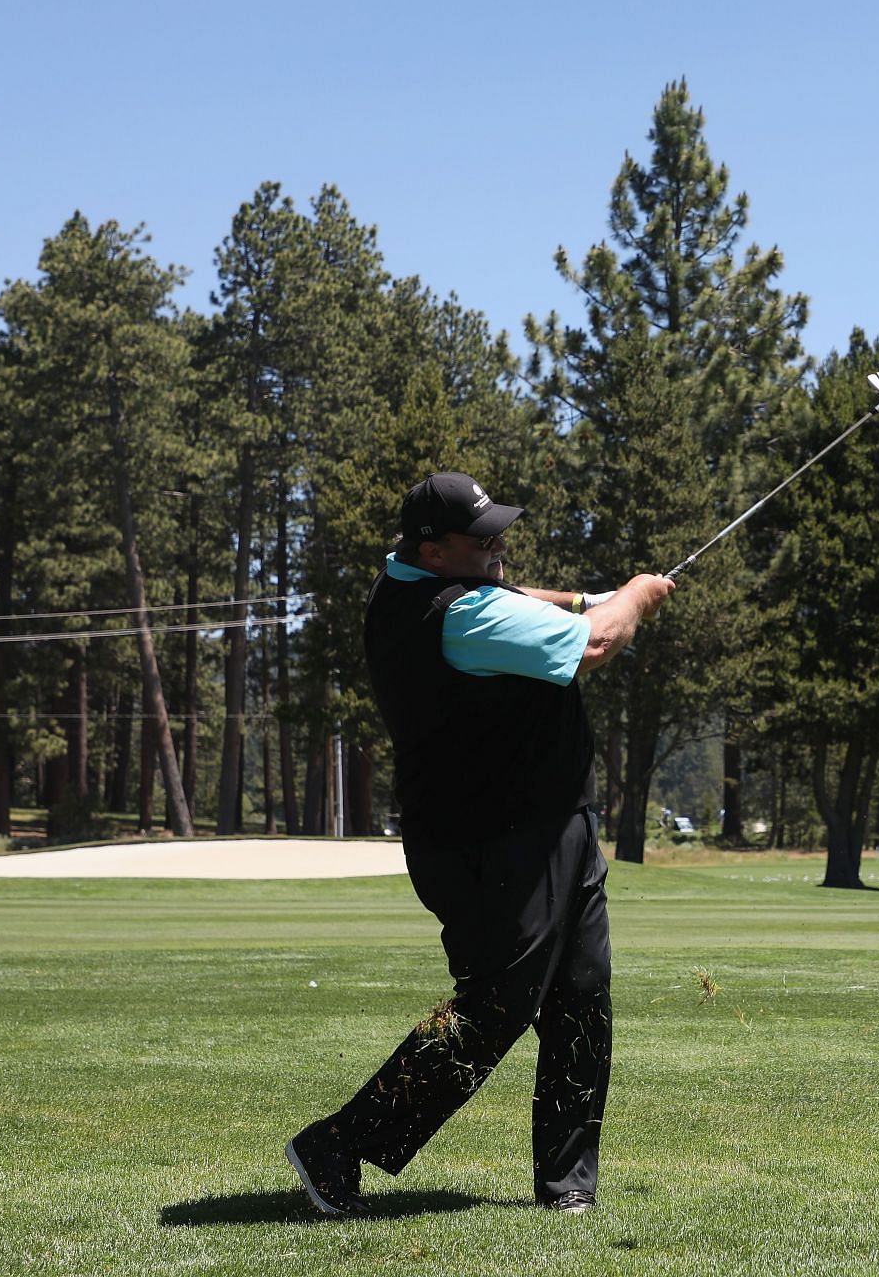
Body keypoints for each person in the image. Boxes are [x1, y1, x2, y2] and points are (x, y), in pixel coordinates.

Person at [285, 471, 674, 1217]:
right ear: (434, 553)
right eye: (482, 537)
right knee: (493, 1008)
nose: (498, 544)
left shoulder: (407, 584)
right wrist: (631, 597)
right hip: (495, 842)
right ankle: (338, 1143)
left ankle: (568, 1186)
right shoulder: (456, 615)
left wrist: (585, 596)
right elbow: (596, 645)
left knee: (581, 998)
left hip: (545, 826)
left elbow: (516, 596)